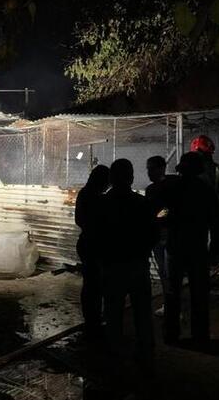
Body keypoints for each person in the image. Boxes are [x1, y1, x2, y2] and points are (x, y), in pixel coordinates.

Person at [94, 159, 157, 371]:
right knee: (142, 312)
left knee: (113, 312)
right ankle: (145, 353)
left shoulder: (102, 203)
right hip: (138, 265)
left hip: (112, 265)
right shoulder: (142, 203)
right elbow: (153, 234)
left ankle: (114, 355)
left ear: (111, 178)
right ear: (131, 178)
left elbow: (96, 235)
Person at [163, 152, 216, 346]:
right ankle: (200, 335)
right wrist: (215, 246)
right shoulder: (205, 190)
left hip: (175, 245)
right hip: (197, 246)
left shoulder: (173, 188)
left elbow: (164, 213)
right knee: (199, 292)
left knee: (172, 291)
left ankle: (171, 334)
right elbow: (214, 218)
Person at [190, 135, 219, 280]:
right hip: (217, 216)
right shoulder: (218, 170)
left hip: (197, 217)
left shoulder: (190, 172)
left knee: (199, 246)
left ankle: (202, 276)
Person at [74, 164, 110, 336]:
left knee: (90, 284)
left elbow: (79, 220)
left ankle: (91, 319)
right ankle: (94, 320)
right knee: (95, 285)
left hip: (86, 243)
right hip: (94, 246)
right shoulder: (99, 198)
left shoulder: (84, 194)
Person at [144, 156, 177, 317]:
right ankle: (170, 304)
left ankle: (172, 306)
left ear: (161, 168)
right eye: (148, 169)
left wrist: (156, 217)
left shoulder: (169, 186)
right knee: (165, 272)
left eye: (152, 168)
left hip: (167, 233)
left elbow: (169, 209)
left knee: (169, 272)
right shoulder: (151, 189)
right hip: (158, 234)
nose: (149, 172)